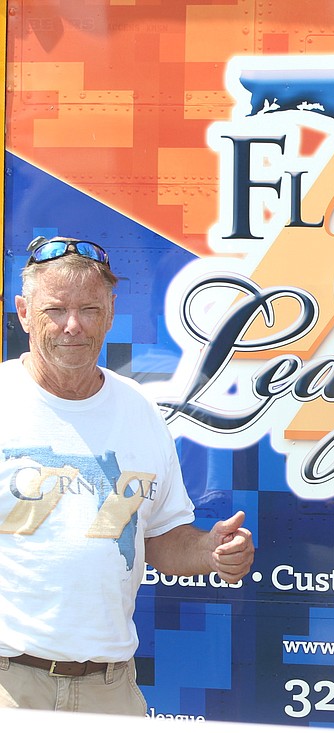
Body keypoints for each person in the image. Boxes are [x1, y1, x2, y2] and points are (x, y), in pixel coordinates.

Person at [0, 235, 256, 715]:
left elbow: (158, 537)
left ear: (112, 311)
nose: (73, 326)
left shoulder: (140, 410)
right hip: (9, 685)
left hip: (109, 688)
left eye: (90, 309)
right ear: (23, 312)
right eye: (56, 309)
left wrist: (211, 552)